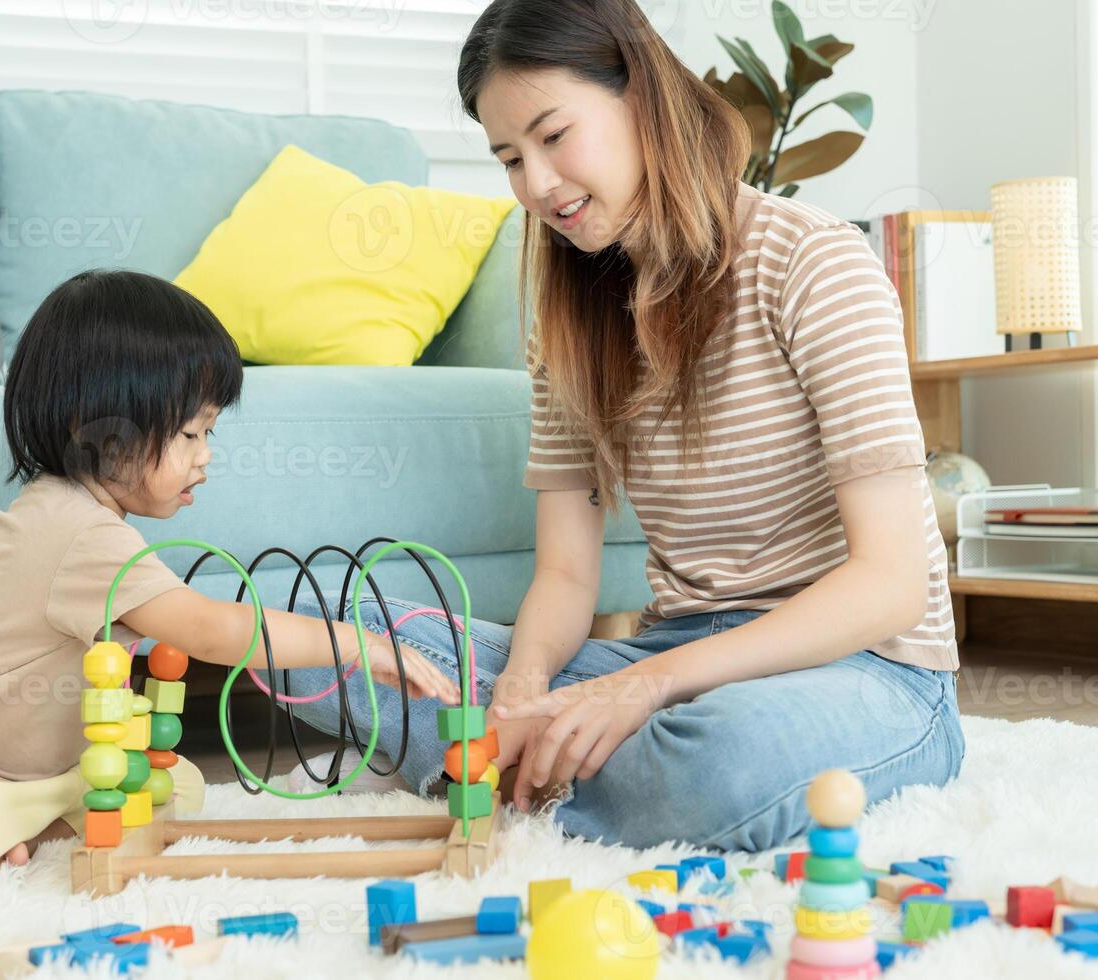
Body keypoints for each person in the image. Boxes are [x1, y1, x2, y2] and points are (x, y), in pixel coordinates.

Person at [279, 0, 964, 851]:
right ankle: (560, 756)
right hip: (677, 650)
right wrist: (524, 692)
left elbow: (890, 585)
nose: (536, 184)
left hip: (862, 668)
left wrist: (643, 691)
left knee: (712, 763)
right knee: (316, 633)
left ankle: (517, 772)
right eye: (509, 159)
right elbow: (567, 575)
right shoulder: (568, 322)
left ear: (642, 96)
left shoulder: (814, 264)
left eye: (553, 135)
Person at [0, 270, 456, 894]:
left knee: (172, 790)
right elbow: (217, 631)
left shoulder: (93, 528)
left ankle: (9, 826)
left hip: (20, 779)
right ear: (108, 434)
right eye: (191, 432)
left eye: (210, 433)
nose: (206, 456)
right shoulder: (77, 534)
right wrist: (357, 645)